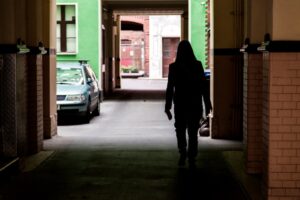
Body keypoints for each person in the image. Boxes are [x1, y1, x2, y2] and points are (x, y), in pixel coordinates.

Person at [165, 40, 212, 168]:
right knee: (192, 132)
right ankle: (192, 156)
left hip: (180, 105)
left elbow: (170, 88)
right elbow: (203, 87)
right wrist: (208, 105)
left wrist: (167, 107)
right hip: (194, 105)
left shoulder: (173, 67)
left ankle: (182, 152)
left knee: (180, 130)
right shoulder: (197, 66)